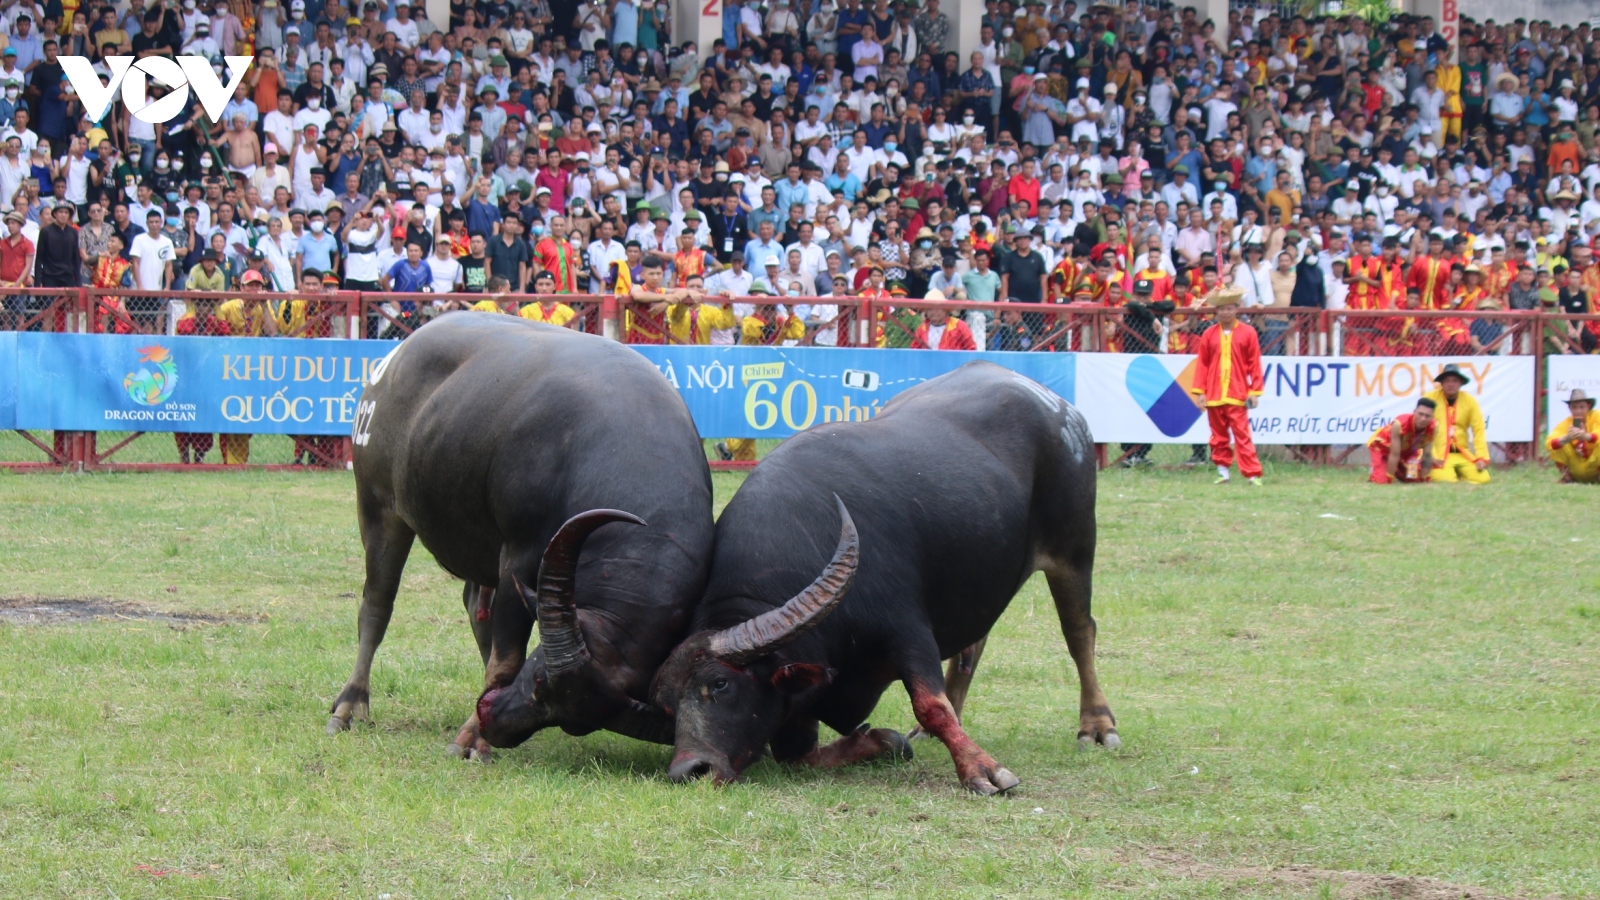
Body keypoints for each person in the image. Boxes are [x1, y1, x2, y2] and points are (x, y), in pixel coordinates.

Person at [1188, 286, 1264, 486]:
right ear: (1217, 311)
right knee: (1218, 436)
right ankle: (1223, 472)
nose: (1225, 312)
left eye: (1229, 308)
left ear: (1236, 309)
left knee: (1242, 434)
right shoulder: (1209, 334)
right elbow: (1202, 364)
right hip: (1214, 393)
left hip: (1238, 393)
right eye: (1222, 309)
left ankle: (1251, 474)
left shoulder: (1248, 332)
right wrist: (1200, 392)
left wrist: (1254, 391)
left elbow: (1254, 363)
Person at [1423, 363, 1490, 484]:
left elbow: (1478, 429)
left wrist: (1481, 457)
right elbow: (1422, 429)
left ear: (1461, 383)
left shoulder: (1470, 401)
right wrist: (1430, 455)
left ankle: (1460, 475)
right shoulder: (1430, 398)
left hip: (1461, 452)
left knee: (1483, 478)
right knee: (1446, 480)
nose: (1451, 384)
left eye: (1455, 380)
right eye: (1447, 380)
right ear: (1442, 383)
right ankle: (1455, 476)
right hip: (1439, 454)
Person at [1367, 398, 1438, 485]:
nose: (1423, 419)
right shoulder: (1400, 424)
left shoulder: (1433, 426)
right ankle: (1378, 469)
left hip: (1406, 451)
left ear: (1432, 417)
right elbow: (1394, 454)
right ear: (1414, 412)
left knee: (1415, 480)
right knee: (1383, 481)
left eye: (1427, 416)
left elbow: (1427, 455)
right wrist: (1389, 479)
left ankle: (1396, 470)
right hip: (1382, 447)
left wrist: (1425, 479)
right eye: (1420, 414)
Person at [1547, 389, 1599, 484]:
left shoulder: (1595, 416)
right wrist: (1568, 438)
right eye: (1574, 408)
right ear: (1570, 409)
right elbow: (1550, 443)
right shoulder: (1566, 423)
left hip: (1595, 468)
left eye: (1581, 407)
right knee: (1559, 443)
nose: (1578, 411)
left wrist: (1585, 437)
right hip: (1576, 468)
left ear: (1589, 406)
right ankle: (1567, 477)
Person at [910, 289, 975, 349]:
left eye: (938, 308)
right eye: (930, 308)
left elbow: (971, 348)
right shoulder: (922, 328)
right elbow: (914, 350)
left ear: (945, 309)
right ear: (926, 311)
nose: (934, 311)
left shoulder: (959, 325)